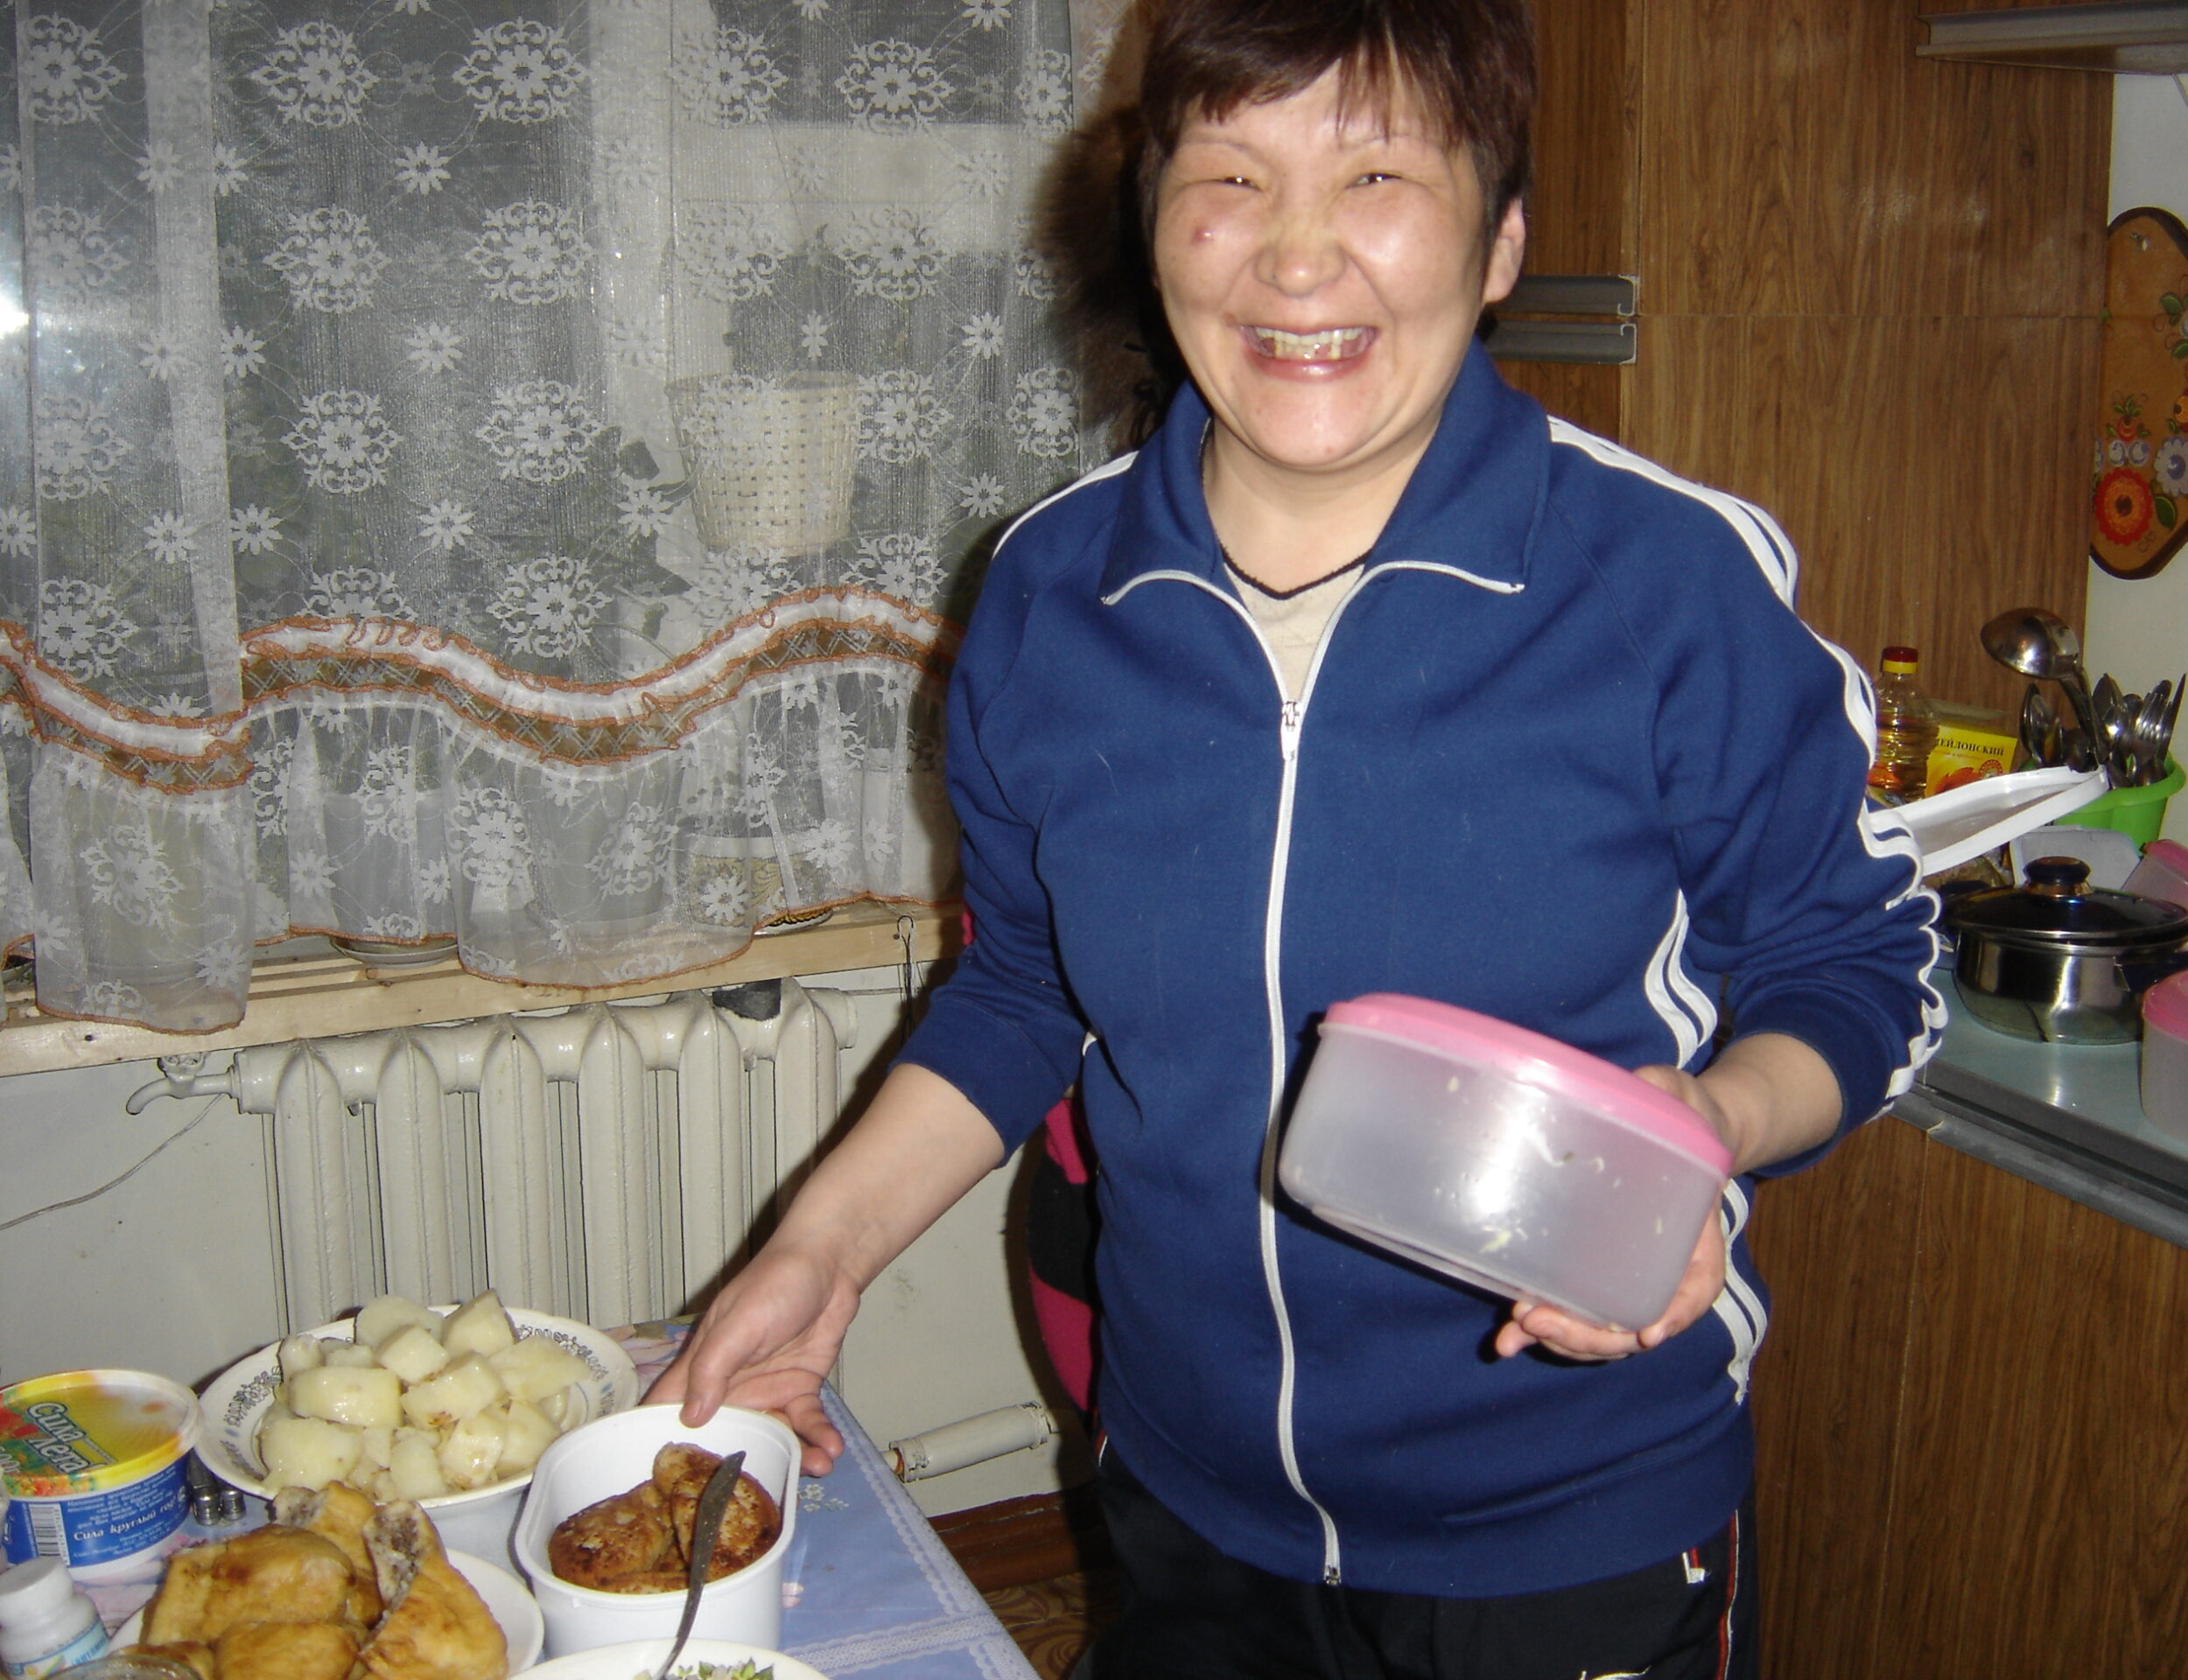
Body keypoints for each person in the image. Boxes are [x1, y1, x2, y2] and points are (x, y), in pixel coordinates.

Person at [649, 0, 1944, 1673]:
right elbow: (1028, 988)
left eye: (1379, 176)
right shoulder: (1051, 594)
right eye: (1233, 178)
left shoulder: (1670, 585)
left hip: (1566, 1525)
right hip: (1184, 1498)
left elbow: (1859, 965)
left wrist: (1709, 1122)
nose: (1298, 257)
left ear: (1501, 240)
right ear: (1154, 223)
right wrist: (818, 1254)